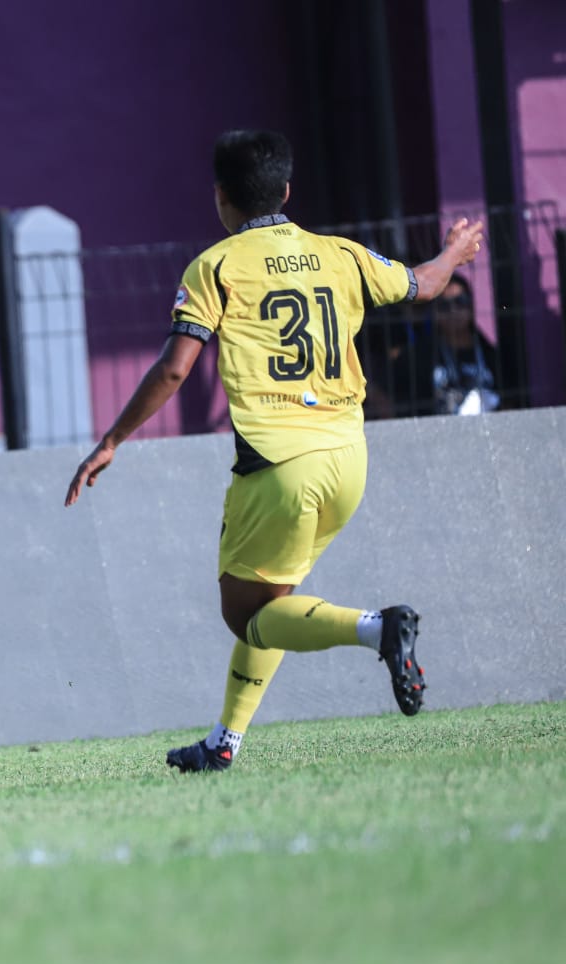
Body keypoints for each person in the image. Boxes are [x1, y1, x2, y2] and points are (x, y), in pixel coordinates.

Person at [64, 129, 484, 773]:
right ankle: (222, 743)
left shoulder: (216, 267)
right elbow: (422, 286)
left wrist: (112, 440)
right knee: (274, 602)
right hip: (349, 457)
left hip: (280, 466)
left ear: (220, 197)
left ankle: (378, 627)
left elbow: (175, 370)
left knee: (246, 614)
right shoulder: (338, 254)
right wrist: (454, 250)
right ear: (286, 191)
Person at [426, 272, 501, 415]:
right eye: (444, 306)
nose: (453, 311)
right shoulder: (422, 356)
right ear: (435, 313)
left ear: (471, 307)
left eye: (460, 301)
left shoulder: (492, 355)